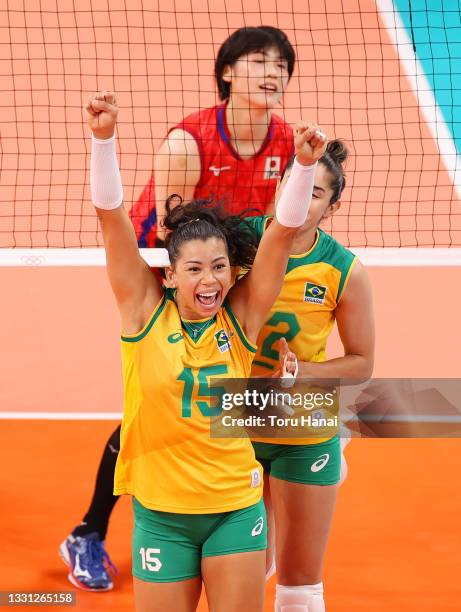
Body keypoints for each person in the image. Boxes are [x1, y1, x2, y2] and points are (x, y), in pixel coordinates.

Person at [70, 88, 326, 612]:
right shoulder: (143, 312)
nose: (209, 280)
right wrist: (104, 141)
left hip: (234, 508)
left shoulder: (241, 316)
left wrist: (301, 168)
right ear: (169, 274)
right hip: (161, 516)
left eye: (219, 267)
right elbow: (110, 217)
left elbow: (281, 234)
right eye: (194, 269)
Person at [248, 141, 375, 611]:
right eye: (297, 184)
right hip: (233, 414)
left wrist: (304, 372)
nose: (303, 199)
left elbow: (361, 361)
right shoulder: (237, 242)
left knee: (299, 585)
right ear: (282, 184)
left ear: (331, 206)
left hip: (300, 417)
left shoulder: (344, 270)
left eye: (318, 193)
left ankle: (326, 452)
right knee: (245, 568)